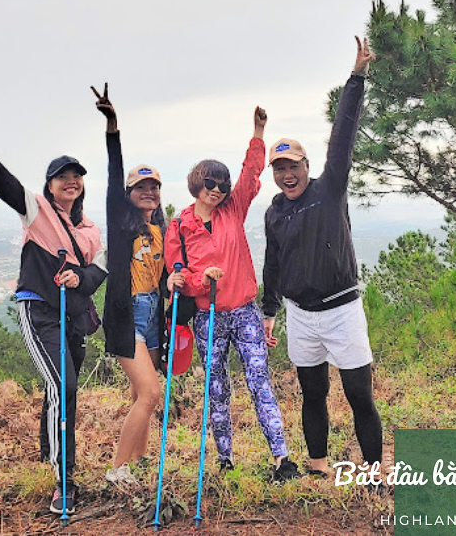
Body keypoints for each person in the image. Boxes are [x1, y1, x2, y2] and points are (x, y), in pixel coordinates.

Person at [0, 127, 107, 515]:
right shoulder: (37, 210)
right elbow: (8, 188)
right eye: (63, 176)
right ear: (50, 184)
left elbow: (100, 270)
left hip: (74, 317)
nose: (71, 182)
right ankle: (65, 481)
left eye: (76, 177)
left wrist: (80, 277)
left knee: (63, 388)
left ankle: (48, 450)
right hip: (40, 310)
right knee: (64, 385)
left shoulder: (91, 229)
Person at [261, 36, 383, 481]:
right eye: (280, 168)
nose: (288, 174)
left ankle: (373, 472)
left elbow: (343, 137)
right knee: (312, 393)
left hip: (342, 311)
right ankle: (316, 468)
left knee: (358, 395)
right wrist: (269, 311)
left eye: (293, 166)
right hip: (301, 316)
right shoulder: (275, 211)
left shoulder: (329, 191)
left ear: (308, 166)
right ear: (273, 173)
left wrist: (357, 77)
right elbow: (273, 264)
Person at [164, 107, 301, 484]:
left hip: (244, 311)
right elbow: (177, 275)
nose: (218, 189)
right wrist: (196, 281)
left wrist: (258, 131)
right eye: (210, 182)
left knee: (260, 382)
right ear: (196, 184)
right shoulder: (178, 226)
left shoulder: (233, 210)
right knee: (216, 389)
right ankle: (225, 459)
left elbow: (251, 173)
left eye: (221, 183)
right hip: (208, 315)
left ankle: (281, 459)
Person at [91, 84, 167, 487]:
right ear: (128, 195)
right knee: (151, 392)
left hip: (153, 313)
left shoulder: (160, 227)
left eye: (154, 187)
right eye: (141, 187)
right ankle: (118, 470)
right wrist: (113, 126)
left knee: (144, 395)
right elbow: (112, 173)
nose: (149, 192)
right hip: (126, 315)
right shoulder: (121, 223)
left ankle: (139, 463)